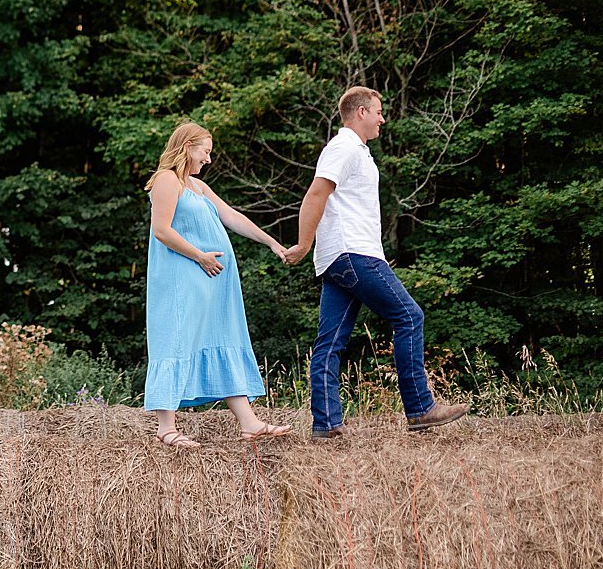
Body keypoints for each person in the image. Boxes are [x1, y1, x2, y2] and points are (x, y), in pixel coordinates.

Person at [282, 86, 469, 439]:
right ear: (361, 112)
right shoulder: (344, 147)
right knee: (409, 316)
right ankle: (420, 409)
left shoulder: (359, 152)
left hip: (340, 257)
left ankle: (326, 425)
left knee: (330, 342)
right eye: (378, 111)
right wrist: (304, 244)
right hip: (354, 252)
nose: (383, 118)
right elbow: (315, 194)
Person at [144, 122, 292, 449]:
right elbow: (162, 231)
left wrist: (271, 243)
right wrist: (200, 257)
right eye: (205, 152)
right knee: (176, 339)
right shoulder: (167, 181)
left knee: (222, 338)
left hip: (213, 283)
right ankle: (166, 428)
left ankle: (249, 422)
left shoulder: (196, 186)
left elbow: (232, 216)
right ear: (186, 146)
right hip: (183, 280)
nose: (208, 160)